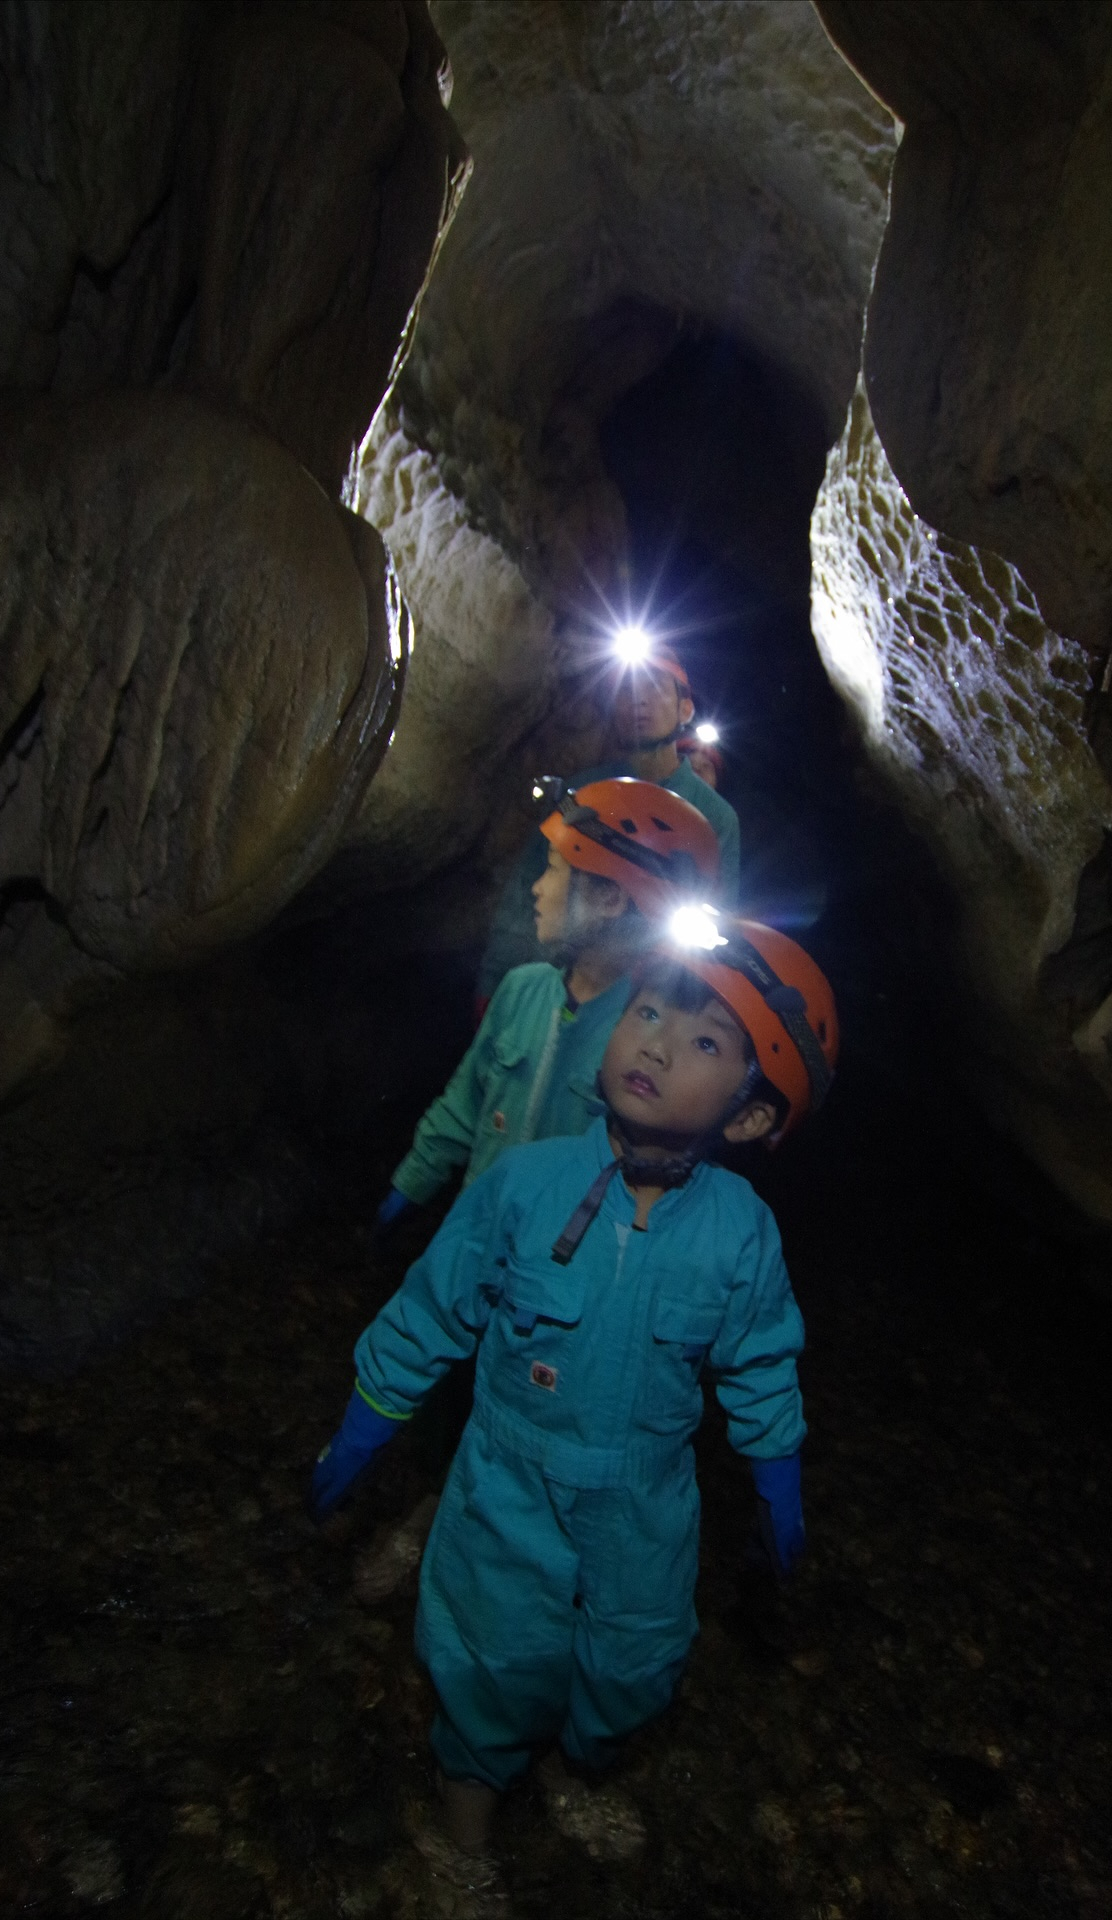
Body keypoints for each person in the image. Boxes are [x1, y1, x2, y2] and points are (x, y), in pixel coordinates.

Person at [311, 917, 839, 1856]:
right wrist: (365, 1424)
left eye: (706, 1041)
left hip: (645, 1502)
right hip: (510, 1481)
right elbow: (430, 1312)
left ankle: (572, 1764)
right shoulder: (526, 1184)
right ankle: (464, 1828)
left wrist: (777, 1474)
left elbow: (760, 1358)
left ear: (752, 1115)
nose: (656, 1042)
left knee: (632, 1663)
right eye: (647, 1012)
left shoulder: (741, 1231)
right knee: (493, 1655)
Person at [375, 776, 722, 1242]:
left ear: (609, 898)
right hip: (476, 1239)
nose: (537, 889)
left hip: (558, 1272)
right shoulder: (522, 990)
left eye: (554, 869)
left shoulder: (645, 1040)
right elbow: (465, 1104)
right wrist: (413, 1183)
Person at [474, 642, 740, 1001]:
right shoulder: (583, 791)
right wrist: (494, 984)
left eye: (655, 686)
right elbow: (529, 885)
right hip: (556, 988)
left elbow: (716, 923)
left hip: (647, 1000)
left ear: (685, 709)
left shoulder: (714, 816)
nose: (638, 700)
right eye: (626, 690)